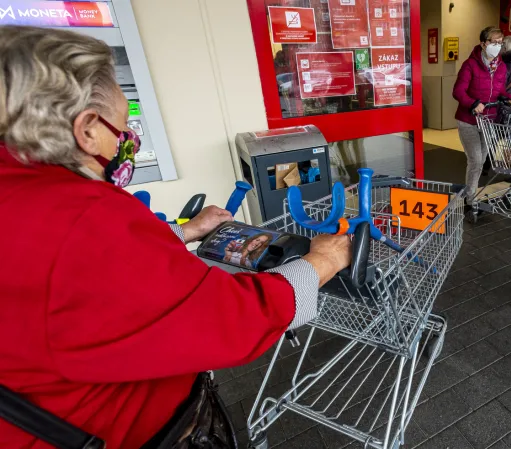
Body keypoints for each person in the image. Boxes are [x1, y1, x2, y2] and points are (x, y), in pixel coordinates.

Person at [0, 26, 352, 448]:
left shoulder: (23, 195)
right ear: (88, 129)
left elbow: (85, 281)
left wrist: (184, 232)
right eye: (122, 127)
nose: (126, 141)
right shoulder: (81, 218)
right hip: (125, 431)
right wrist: (323, 262)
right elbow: (233, 319)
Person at [453, 26, 511, 208]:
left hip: (489, 120)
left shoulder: (501, 67)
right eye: (493, 42)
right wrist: (473, 103)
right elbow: (458, 91)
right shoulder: (470, 65)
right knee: (475, 160)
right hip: (469, 121)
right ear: (483, 44)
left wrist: (507, 97)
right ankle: (470, 198)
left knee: (481, 161)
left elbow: (499, 90)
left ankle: (470, 193)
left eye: (500, 42)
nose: (497, 46)